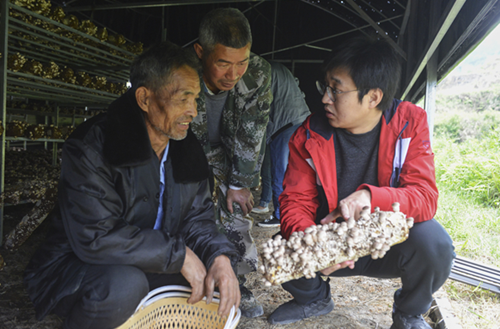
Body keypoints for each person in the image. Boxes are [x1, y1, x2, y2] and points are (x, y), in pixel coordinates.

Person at [23, 41, 240, 329]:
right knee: (124, 285)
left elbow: (198, 219)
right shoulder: (95, 145)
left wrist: (219, 257)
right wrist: (178, 255)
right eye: (182, 99)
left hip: (153, 262)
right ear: (144, 99)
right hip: (77, 268)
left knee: (218, 275)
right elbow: (96, 238)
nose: (193, 111)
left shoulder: (186, 149)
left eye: (196, 99)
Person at [267, 36, 455, 329]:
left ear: (373, 97)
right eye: (325, 87)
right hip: (334, 243)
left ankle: (408, 312)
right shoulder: (308, 135)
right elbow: (295, 201)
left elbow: (425, 196)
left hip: (386, 243)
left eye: (336, 89)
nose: (325, 98)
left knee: (435, 243)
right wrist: (314, 244)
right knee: (281, 248)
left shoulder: (409, 122)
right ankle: (314, 298)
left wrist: (371, 197)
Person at [191, 7, 272, 318]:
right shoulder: (181, 70)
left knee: (235, 210)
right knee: (192, 208)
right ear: (201, 52)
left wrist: (238, 183)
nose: (233, 74)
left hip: (230, 153)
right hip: (188, 151)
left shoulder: (258, 74)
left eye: (242, 62)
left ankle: (234, 279)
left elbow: (253, 132)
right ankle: (193, 274)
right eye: (223, 63)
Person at [253, 61, 310, 228]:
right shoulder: (284, 70)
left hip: (284, 128)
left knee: (280, 173)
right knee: (297, 172)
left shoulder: (265, 72)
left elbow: (262, 104)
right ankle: (296, 211)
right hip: (303, 121)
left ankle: (280, 215)